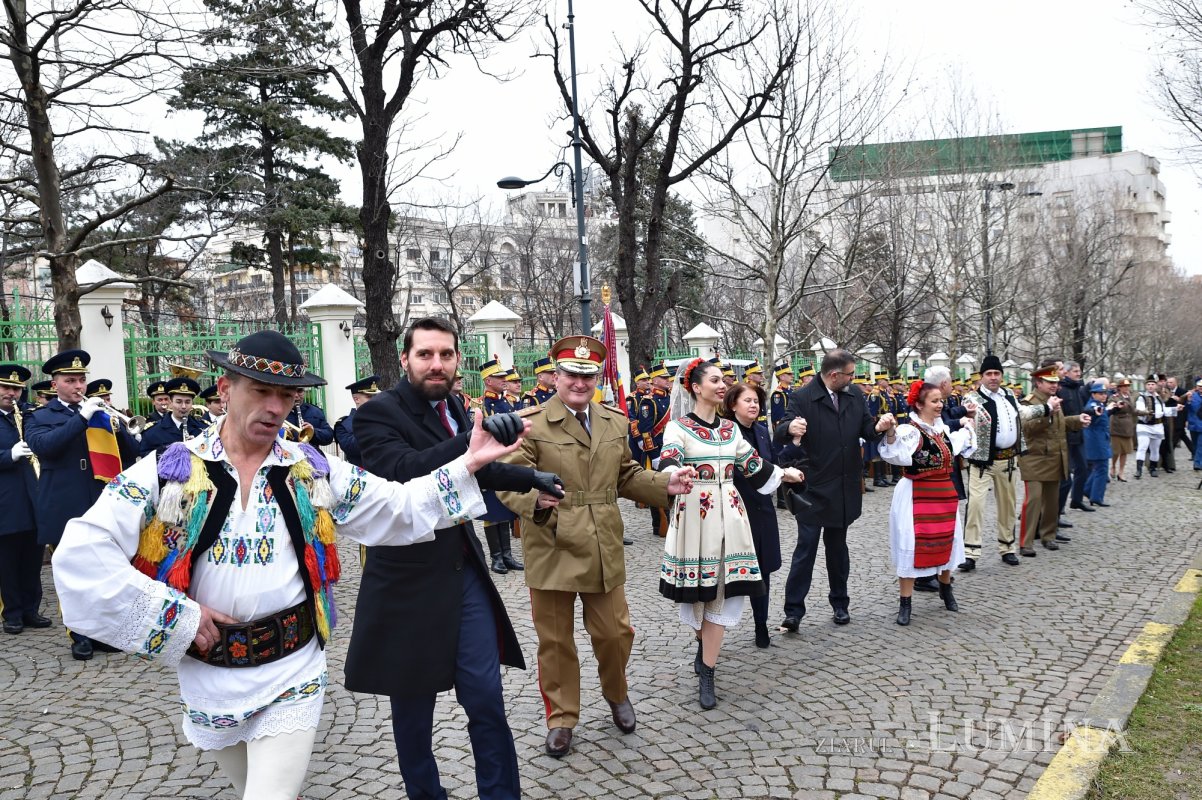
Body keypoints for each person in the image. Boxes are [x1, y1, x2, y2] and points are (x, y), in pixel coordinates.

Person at [51, 329, 527, 800]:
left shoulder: (310, 468)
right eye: (260, 391)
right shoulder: (168, 468)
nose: (275, 408)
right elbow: (82, 551)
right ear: (225, 389)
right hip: (209, 675)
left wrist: (468, 462)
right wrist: (177, 616)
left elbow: (396, 507)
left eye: (286, 395)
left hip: (292, 669)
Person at [348, 318, 564, 800]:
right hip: (405, 583)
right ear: (404, 359)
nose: (436, 363)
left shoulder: (454, 409)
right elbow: (398, 473)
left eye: (446, 354)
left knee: (486, 699)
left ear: (457, 361)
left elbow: (475, 474)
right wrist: (472, 447)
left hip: (461, 569)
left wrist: (530, 479)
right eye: (425, 354)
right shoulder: (377, 414)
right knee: (413, 713)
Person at [496, 335, 693, 759]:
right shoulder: (528, 421)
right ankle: (562, 717)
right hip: (551, 541)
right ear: (555, 375)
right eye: (571, 374)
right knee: (556, 641)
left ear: (597, 378)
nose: (579, 383)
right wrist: (534, 500)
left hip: (602, 541)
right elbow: (507, 480)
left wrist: (663, 484)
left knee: (615, 633)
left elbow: (624, 475)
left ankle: (616, 693)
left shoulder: (613, 421)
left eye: (588, 375)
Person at [659, 370, 800, 710]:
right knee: (695, 598)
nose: (722, 385)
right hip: (695, 518)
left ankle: (707, 671)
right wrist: (675, 474)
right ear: (695, 388)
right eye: (714, 380)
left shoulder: (729, 429)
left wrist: (784, 474)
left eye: (724, 380)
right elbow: (668, 462)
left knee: (722, 594)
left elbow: (752, 465)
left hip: (732, 521)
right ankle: (703, 645)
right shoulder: (678, 428)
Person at [26, 349, 139, 661]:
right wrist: (82, 417)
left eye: (81, 380)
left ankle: (101, 632)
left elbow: (131, 449)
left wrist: (117, 424)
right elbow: (46, 448)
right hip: (63, 504)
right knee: (71, 573)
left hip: (98, 501)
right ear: (55, 383)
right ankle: (79, 634)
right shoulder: (40, 417)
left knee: (102, 570)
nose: (78, 385)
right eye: (70, 380)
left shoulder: (100, 413)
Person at [773, 349, 893, 630]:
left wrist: (880, 424)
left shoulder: (854, 396)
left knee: (838, 551)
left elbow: (866, 427)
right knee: (806, 549)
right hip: (813, 489)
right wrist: (791, 426)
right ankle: (793, 611)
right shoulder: (802, 397)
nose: (854, 378)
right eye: (850, 374)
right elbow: (780, 432)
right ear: (834, 375)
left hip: (843, 486)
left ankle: (840, 603)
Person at [878, 381, 974, 625]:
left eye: (941, 400)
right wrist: (890, 432)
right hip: (916, 494)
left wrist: (968, 425)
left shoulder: (942, 431)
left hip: (943, 495)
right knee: (911, 544)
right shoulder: (909, 431)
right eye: (934, 401)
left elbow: (960, 443)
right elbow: (895, 454)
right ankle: (905, 602)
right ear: (919, 404)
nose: (940, 405)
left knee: (947, 541)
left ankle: (946, 588)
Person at [958, 355, 1052, 571]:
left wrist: (1046, 408)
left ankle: (1007, 548)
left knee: (1008, 506)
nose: (993, 377)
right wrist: (968, 418)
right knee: (975, 506)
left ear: (1001, 375)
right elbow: (972, 417)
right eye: (988, 374)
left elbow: (1023, 413)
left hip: (1008, 461)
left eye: (996, 373)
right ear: (981, 377)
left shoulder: (1009, 395)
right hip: (982, 463)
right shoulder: (972, 398)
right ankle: (971, 553)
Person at [725, 382, 790, 648]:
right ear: (733, 405)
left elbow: (774, 465)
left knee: (763, 572)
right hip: (736, 513)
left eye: (756, 401)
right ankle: (707, 638)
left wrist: (794, 444)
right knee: (729, 576)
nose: (754, 405)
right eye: (747, 400)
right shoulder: (726, 433)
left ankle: (761, 625)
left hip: (762, 511)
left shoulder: (763, 431)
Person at [1018, 365, 1090, 556]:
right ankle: (1026, 542)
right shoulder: (1029, 402)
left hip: (1054, 457)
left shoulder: (1055, 401)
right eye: (1050, 382)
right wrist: (1047, 412)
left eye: (1056, 382)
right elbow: (1028, 429)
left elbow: (1060, 425)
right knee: (1033, 501)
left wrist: (1076, 420)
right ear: (1038, 383)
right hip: (1034, 459)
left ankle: (1048, 536)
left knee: (1051, 502)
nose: (1054, 385)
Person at [0, 364, 47, 635]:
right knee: (7, 561)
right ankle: (13, 613)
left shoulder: (28, 416)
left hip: (33, 498)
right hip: (6, 502)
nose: (12, 393)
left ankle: (31, 609)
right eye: (6, 388)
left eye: (16, 388)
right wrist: (9, 455)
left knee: (32, 558)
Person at [478, 358, 523, 574]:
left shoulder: (506, 403)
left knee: (505, 508)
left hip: (507, 460)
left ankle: (507, 555)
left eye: (505, 377)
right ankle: (496, 557)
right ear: (488, 381)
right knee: (491, 511)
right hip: (490, 463)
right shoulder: (481, 405)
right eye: (499, 377)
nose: (504, 380)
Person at [635, 362, 673, 538]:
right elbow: (645, 432)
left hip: (671, 450)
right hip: (656, 452)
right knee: (656, 490)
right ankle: (659, 525)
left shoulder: (671, 398)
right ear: (655, 380)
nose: (667, 380)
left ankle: (672, 522)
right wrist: (655, 455)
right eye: (664, 378)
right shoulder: (648, 402)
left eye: (667, 378)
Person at [1056, 361, 1092, 515]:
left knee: (1083, 468)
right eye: (1075, 371)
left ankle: (1076, 500)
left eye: (1079, 371)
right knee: (1064, 477)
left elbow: (1081, 409)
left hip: (1078, 435)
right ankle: (1058, 510)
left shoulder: (1078, 388)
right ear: (1068, 372)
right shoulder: (1061, 389)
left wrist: (1089, 413)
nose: (1078, 374)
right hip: (1065, 437)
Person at [138, 377, 207, 457]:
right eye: (179, 402)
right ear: (170, 402)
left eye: (187, 402)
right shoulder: (151, 432)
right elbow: (145, 459)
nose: (184, 406)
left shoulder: (203, 429)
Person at [332, 375, 380, 467]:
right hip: (363, 476)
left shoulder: (384, 418)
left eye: (376, 396)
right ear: (356, 399)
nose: (374, 400)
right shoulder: (343, 425)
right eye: (369, 396)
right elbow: (354, 449)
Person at [1082, 382, 1114, 507]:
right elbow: (1092, 416)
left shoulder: (1099, 404)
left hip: (1099, 439)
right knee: (1102, 468)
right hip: (1096, 440)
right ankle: (1096, 496)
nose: (1104, 396)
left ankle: (1088, 490)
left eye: (1105, 393)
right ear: (1093, 394)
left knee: (1098, 468)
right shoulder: (1093, 406)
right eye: (1100, 394)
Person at [1134, 374, 1166, 479]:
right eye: (1149, 384)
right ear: (1146, 386)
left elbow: (1164, 411)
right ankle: (1139, 470)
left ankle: (1153, 468)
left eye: (1153, 384)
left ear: (1156, 386)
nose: (1151, 386)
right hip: (1144, 425)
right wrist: (1147, 412)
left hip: (1157, 426)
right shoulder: (1141, 397)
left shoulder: (1159, 398)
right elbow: (1139, 409)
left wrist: (1175, 409)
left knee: (1155, 449)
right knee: (1142, 447)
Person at [1109, 379, 1136, 480]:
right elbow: (1111, 406)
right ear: (1119, 387)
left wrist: (1146, 412)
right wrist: (1117, 404)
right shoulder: (1115, 397)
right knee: (1116, 450)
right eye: (1124, 386)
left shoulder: (1130, 397)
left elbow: (1133, 410)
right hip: (1117, 426)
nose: (1126, 388)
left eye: (1128, 386)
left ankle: (1121, 472)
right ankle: (1113, 466)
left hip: (1127, 427)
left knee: (1125, 451)